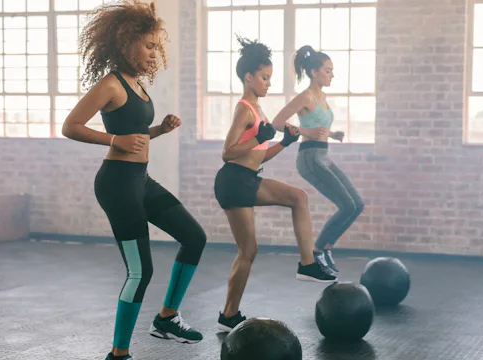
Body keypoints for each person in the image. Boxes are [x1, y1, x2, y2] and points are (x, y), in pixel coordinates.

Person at [61, 2, 206, 359]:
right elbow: (70, 126)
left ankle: (167, 317)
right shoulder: (109, 84)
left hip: (140, 179)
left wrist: (160, 129)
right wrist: (113, 140)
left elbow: (135, 136)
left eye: (156, 46)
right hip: (117, 184)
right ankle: (119, 353)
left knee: (194, 237)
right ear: (126, 43)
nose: (154, 54)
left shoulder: (135, 83)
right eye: (149, 46)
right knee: (141, 272)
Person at [214, 36, 337, 332]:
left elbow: (259, 154)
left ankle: (306, 264)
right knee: (249, 250)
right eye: (265, 78)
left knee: (298, 198)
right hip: (233, 181)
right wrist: (260, 136)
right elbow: (227, 152)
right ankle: (229, 314)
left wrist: (284, 141)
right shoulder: (245, 108)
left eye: (270, 78)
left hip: (246, 178)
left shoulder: (259, 109)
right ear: (249, 77)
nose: (269, 83)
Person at [272, 45, 365, 275]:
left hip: (323, 155)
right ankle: (317, 250)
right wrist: (306, 132)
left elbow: (319, 126)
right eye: (327, 70)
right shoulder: (305, 97)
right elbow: (276, 122)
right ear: (314, 72)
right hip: (309, 158)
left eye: (332, 70)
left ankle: (325, 247)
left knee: (357, 205)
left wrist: (333, 134)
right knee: (346, 206)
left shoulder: (322, 97)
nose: (331, 74)